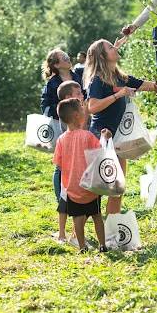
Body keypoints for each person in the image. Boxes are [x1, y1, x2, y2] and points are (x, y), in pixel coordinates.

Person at [84, 39, 157, 214]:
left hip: (118, 140)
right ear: (102, 56)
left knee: (117, 188)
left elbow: (151, 86)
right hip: (101, 137)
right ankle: (77, 233)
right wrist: (119, 95)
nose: (115, 48)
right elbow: (92, 107)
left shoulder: (121, 78)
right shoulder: (97, 80)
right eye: (111, 47)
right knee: (97, 188)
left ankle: (112, 230)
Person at [53, 98, 111, 253]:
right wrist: (105, 137)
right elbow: (100, 152)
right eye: (82, 108)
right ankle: (102, 245)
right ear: (78, 115)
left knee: (77, 218)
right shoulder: (87, 136)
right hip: (91, 185)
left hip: (72, 186)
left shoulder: (61, 139)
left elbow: (58, 162)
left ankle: (82, 246)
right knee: (97, 215)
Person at [40, 48, 83, 242]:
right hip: (62, 124)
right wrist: (61, 115)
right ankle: (62, 197)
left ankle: (78, 196)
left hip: (80, 121)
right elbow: (45, 105)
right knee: (62, 165)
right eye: (63, 57)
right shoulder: (53, 83)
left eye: (67, 55)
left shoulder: (78, 74)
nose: (68, 57)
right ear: (56, 64)